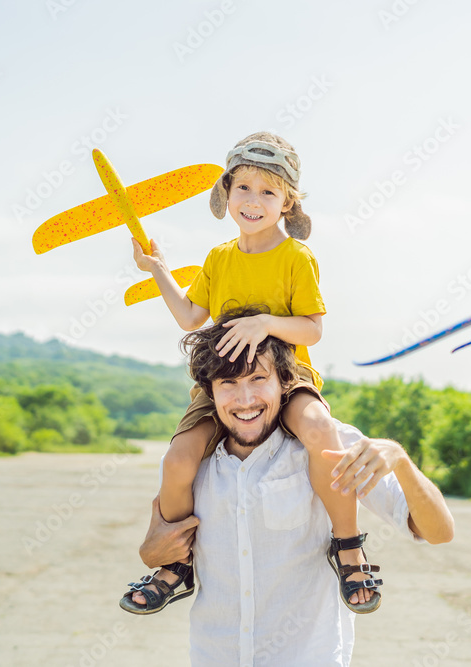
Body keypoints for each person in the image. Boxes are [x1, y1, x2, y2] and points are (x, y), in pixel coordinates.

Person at [121, 133, 379, 615]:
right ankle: (177, 563)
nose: (253, 201)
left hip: (288, 376)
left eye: (268, 191)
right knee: (178, 459)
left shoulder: (296, 257)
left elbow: (313, 328)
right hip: (224, 382)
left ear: (287, 202)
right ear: (226, 194)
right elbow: (190, 317)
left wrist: (263, 323)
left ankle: (347, 544)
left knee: (322, 431)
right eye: (243, 188)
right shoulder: (219, 258)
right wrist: (157, 268)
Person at [135, 310, 455, 666]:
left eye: (258, 378)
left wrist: (401, 460)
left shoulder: (330, 447)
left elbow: (439, 531)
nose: (244, 400)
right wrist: (152, 553)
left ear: (284, 382)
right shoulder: (193, 461)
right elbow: (155, 549)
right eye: (228, 384)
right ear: (210, 393)